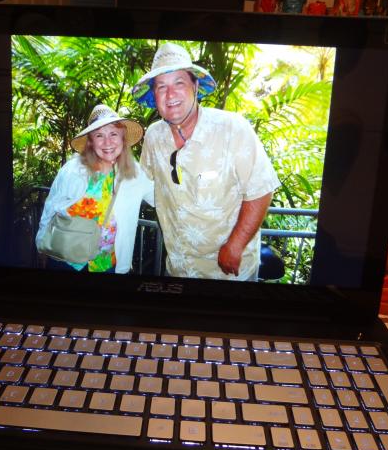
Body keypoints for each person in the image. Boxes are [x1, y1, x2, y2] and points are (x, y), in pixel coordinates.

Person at [132, 42, 280, 281]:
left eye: (179, 83)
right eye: (161, 87)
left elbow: (261, 189)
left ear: (195, 86)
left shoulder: (232, 128)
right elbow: (145, 184)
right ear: (154, 95)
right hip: (177, 267)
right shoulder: (153, 136)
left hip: (229, 272)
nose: (170, 94)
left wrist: (236, 244)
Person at [36, 104, 153, 274]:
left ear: (123, 139)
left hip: (105, 264)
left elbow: (160, 197)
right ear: (90, 142)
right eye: (99, 135)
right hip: (65, 258)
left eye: (113, 134)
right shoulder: (73, 169)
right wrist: (41, 244)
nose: (107, 142)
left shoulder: (135, 173)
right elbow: (51, 207)